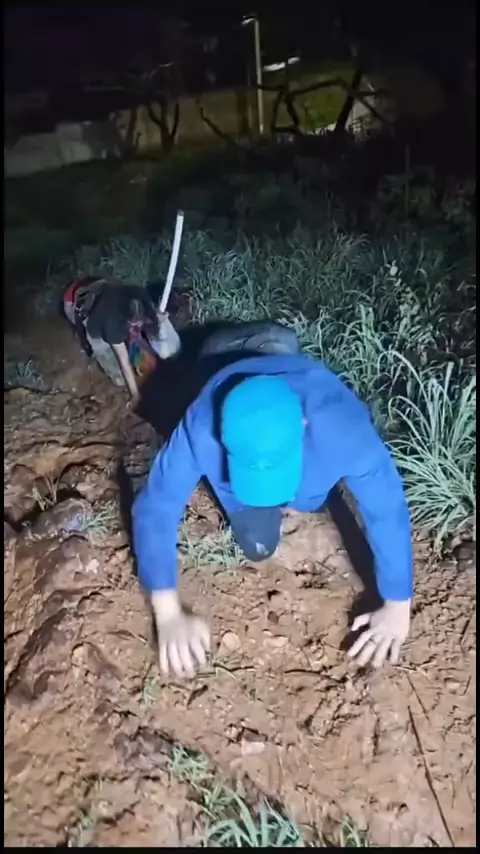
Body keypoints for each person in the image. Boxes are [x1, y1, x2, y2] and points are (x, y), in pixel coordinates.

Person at [132, 350, 413, 679]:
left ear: (304, 426)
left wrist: (398, 604)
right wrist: (167, 612)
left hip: (306, 397)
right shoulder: (203, 427)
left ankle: (269, 347)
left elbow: (387, 507)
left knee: (312, 498)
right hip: (228, 383)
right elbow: (157, 505)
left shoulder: (343, 428)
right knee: (257, 544)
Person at [63, 276, 177, 405]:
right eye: (134, 325)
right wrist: (135, 395)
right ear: (126, 321)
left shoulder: (140, 294)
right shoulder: (111, 324)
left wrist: (158, 322)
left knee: (144, 346)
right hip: (77, 307)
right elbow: (123, 360)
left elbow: (154, 322)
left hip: (96, 285)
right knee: (120, 379)